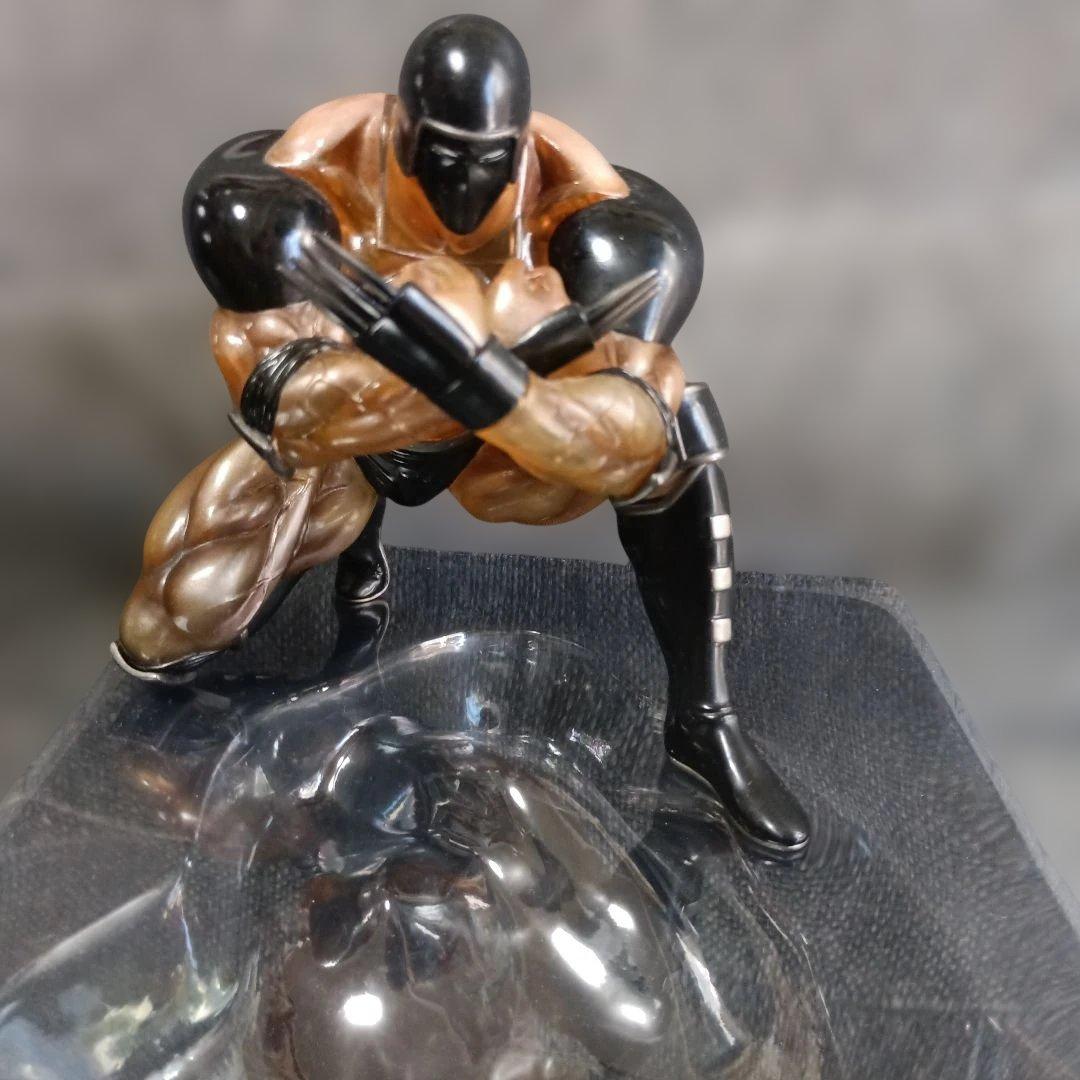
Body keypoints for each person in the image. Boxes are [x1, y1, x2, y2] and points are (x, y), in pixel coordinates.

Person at [114, 14, 809, 858]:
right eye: (440, 158)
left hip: (506, 452)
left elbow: (629, 430)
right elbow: (283, 407)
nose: (465, 189)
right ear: (398, 130)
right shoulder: (286, 194)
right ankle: (350, 565)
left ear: (521, 147)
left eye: (489, 162)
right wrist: (471, 372)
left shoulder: (599, 223)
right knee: (167, 627)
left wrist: (487, 386)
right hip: (345, 443)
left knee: (677, 435)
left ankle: (704, 723)